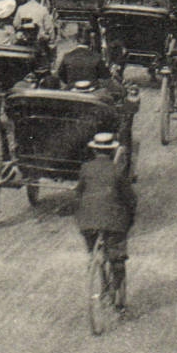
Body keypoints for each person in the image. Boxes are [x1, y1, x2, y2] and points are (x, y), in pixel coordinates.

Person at [74, 133, 134, 314]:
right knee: (117, 257)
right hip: (113, 222)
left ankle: (95, 262)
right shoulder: (117, 170)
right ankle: (119, 298)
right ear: (112, 151)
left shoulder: (85, 169)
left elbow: (78, 194)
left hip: (88, 221)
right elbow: (130, 198)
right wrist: (130, 219)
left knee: (93, 248)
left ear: (94, 150)